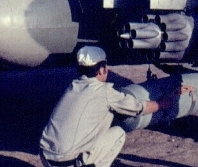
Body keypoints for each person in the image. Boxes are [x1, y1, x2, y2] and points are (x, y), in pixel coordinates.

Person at [39, 46, 178, 167]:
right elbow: (141, 108)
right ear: (101, 69)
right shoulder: (104, 92)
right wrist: (166, 101)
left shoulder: (73, 86)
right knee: (118, 133)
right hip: (67, 162)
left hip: (46, 157)